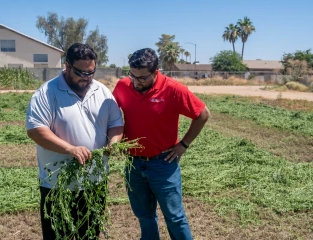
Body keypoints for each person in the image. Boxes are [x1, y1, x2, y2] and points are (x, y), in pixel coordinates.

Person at [25, 43, 124, 239]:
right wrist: (70, 149)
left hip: (95, 181)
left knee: (89, 233)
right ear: (67, 66)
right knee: (58, 235)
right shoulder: (47, 93)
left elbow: (116, 123)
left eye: (91, 72)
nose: (87, 77)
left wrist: (114, 142)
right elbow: (36, 130)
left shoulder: (102, 91)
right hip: (58, 183)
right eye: (81, 72)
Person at [113, 48, 210, 240]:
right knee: (144, 216)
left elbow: (203, 114)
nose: (135, 82)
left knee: (174, 217)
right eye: (132, 75)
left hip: (163, 163)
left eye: (141, 78)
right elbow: (111, 116)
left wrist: (183, 144)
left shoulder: (173, 89)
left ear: (155, 72)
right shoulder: (123, 86)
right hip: (133, 164)